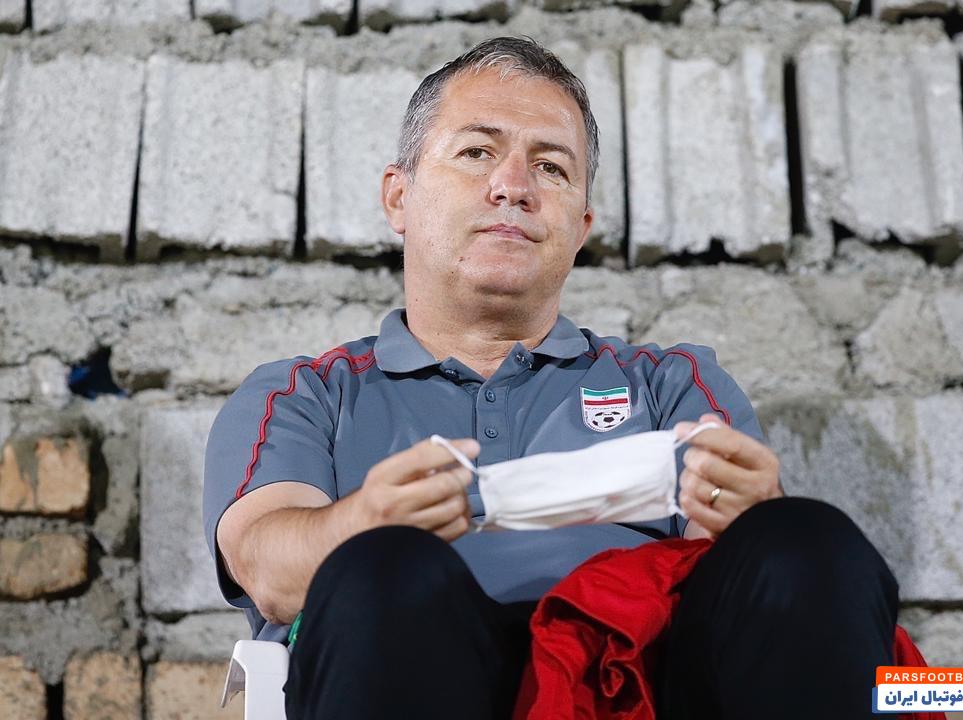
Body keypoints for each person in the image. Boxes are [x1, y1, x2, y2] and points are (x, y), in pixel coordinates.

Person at [202, 36, 899, 719]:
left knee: (806, 538)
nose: (514, 187)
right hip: (413, 667)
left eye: (551, 168)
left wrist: (755, 518)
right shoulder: (305, 395)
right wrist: (364, 521)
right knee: (383, 567)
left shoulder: (669, 384)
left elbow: (762, 589)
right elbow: (267, 571)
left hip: (636, 683)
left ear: (581, 226)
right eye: (477, 153)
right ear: (398, 197)